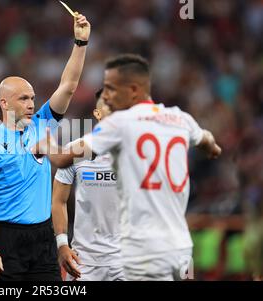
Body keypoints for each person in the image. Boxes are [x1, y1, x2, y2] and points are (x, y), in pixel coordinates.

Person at [34, 54, 222, 281]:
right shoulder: (179, 118)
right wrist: (212, 149)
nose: (109, 97)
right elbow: (206, 139)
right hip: (170, 246)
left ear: (132, 90)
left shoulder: (122, 125)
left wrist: (48, 144)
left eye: (112, 89)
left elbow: (62, 158)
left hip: (134, 253)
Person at [0, 13, 91, 281]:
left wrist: (80, 44)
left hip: (43, 237)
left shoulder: (42, 124)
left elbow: (67, 87)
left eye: (33, 98)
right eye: (23, 98)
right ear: (4, 103)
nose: (32, 103)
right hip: (5, 238)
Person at [52, 89, 125, 281]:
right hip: (84, 261)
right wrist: (62, 244)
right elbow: (58, 200)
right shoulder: (75, 150)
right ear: (98, 113)